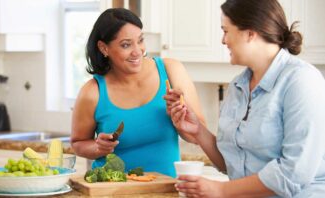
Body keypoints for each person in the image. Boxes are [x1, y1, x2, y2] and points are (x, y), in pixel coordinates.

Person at [165, 0, 325, 197]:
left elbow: (294, 173)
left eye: (226, 31)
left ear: (250, 32)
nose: (223, 41)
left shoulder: (301, 81)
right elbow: (233, 163)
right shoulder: (238, 86)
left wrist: (221, 189)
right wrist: (198, 130)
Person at [70, 8, 204, 177]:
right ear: (104, 48)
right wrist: (97, 148)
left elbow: (198, 136)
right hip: (111, 192)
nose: (137, 51)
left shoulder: (171, 71)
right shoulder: (92, 92)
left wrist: (180, 120)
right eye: (126, 45)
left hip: (166, 191)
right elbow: (78, 143)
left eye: (140, 40)